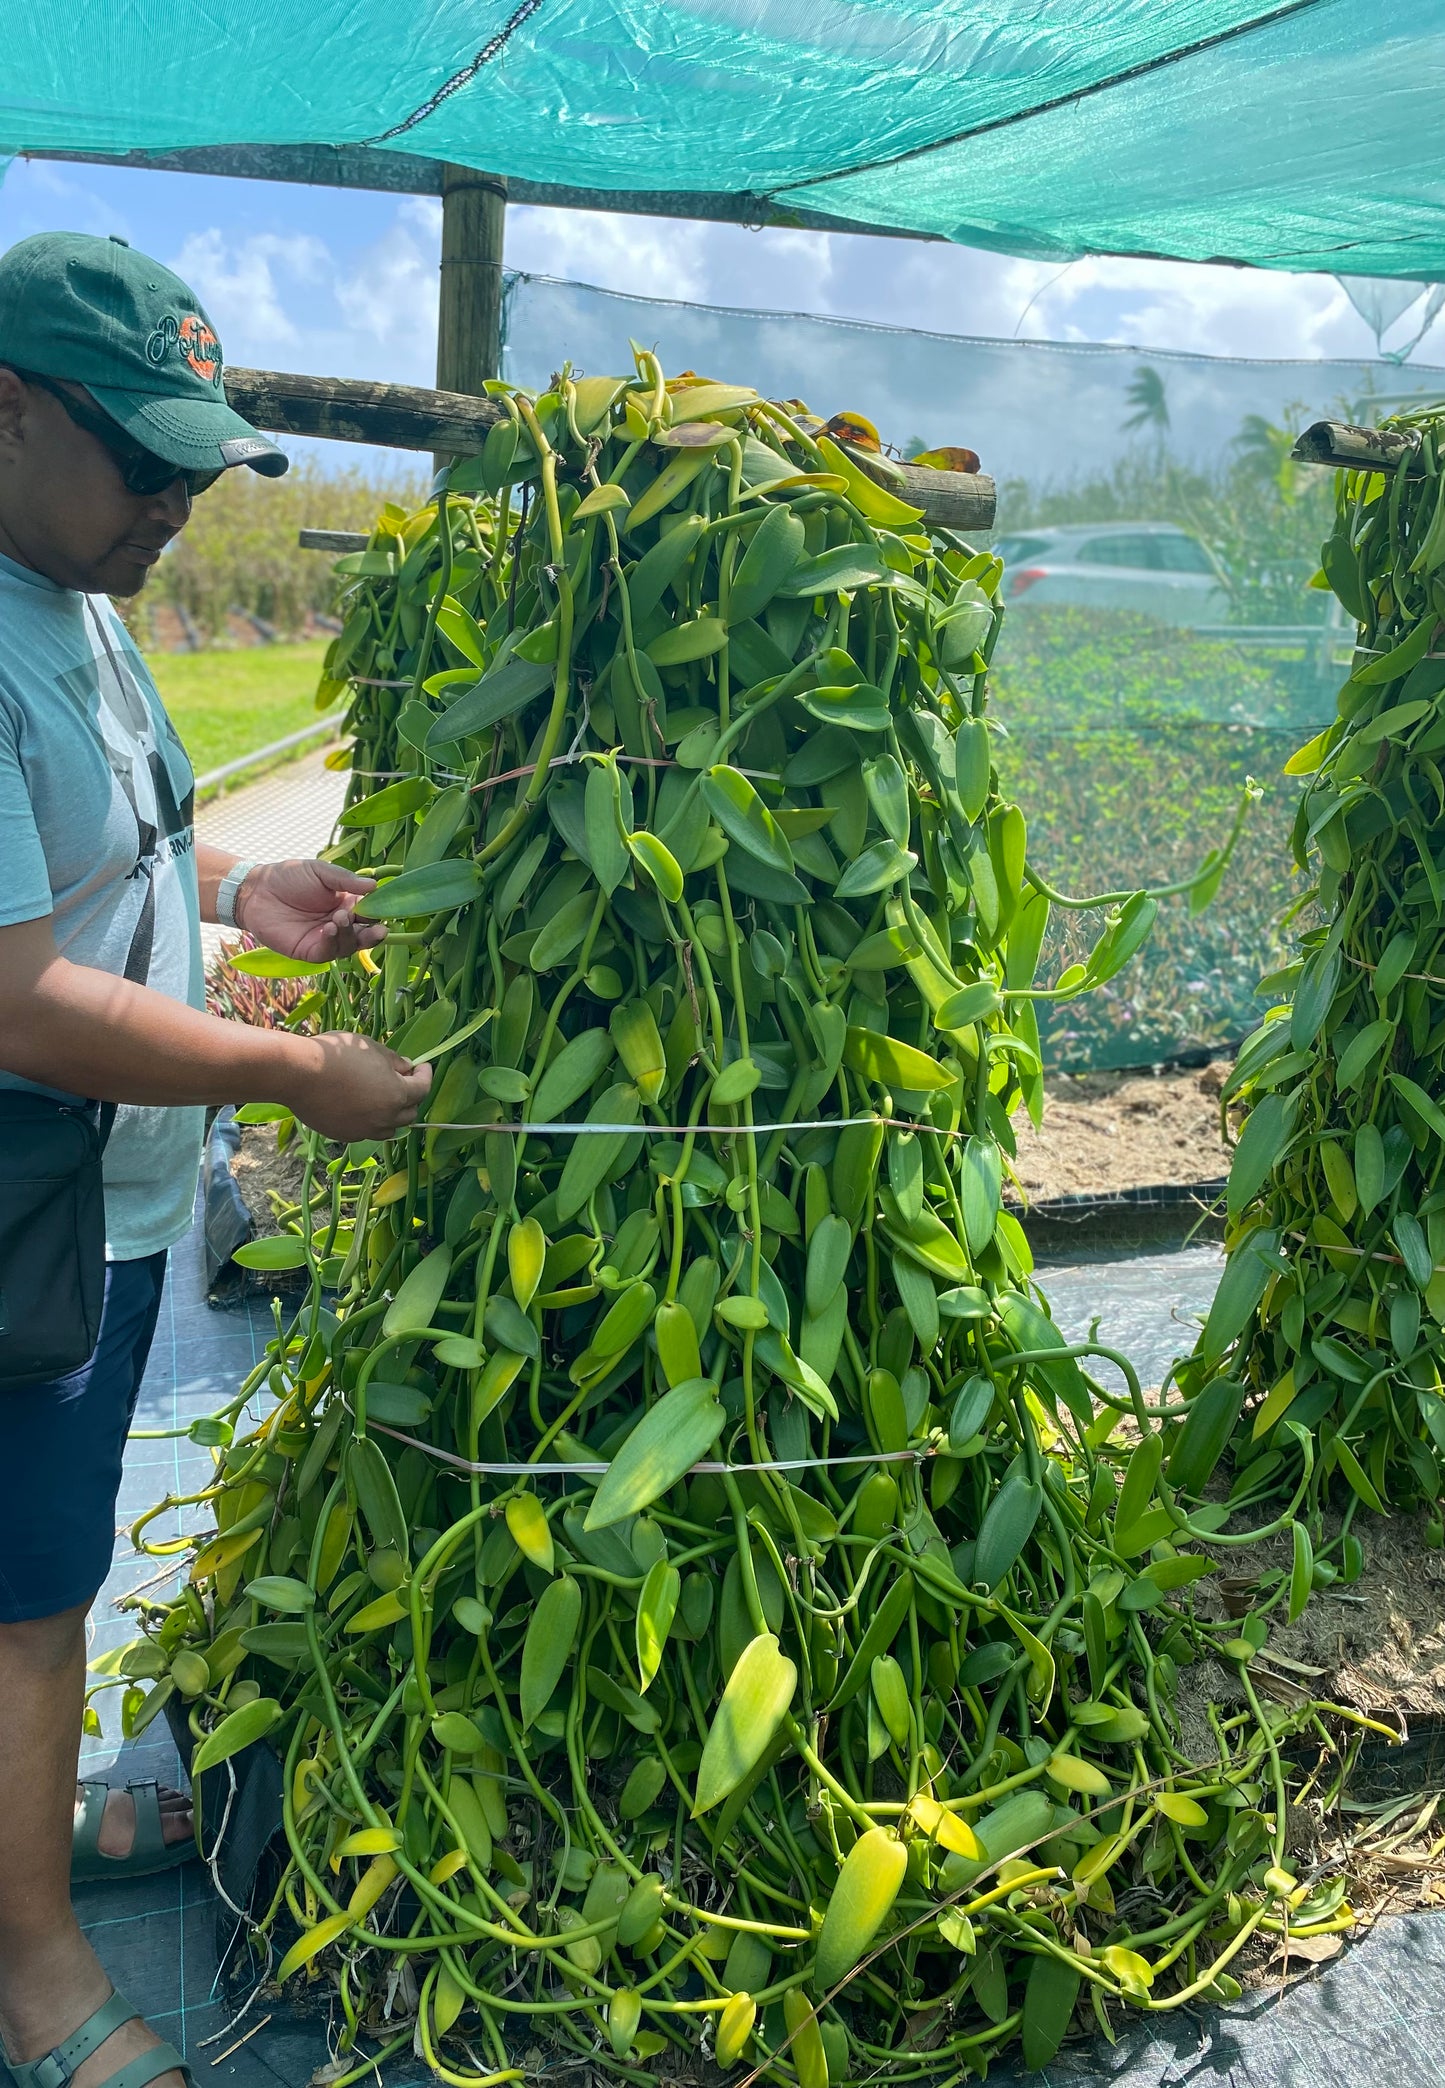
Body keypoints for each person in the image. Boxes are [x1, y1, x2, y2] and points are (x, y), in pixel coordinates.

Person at [0, 232, 431, 2088]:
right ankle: (30, 1970)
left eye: (197, 466)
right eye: (146, 462)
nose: (175, 503)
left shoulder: (73, 596)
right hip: (23, 1204)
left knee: (56, 1566)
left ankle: (43, 1835)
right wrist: (282, 1070)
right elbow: (15, 999)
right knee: (19, 1595)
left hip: (102, 1196)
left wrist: (241, 893)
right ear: (7, 415)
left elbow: (96, 869)